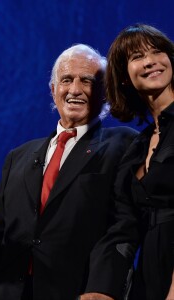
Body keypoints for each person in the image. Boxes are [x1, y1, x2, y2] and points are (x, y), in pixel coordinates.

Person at [0, 44, 138, 300]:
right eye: (66, 80)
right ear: (53, 90)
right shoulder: (18, 156)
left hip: (79, 292)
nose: (75, 89)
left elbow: (124, 225)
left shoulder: (121, 145)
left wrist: (103, 288)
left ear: (106, 93)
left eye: (87, 81)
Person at [82, 24, 174, 300]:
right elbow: (124, 227)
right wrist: (100, 290)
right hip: (150, 276)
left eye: (157, 51)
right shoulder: (137, 147)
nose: (150, 62)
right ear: (123, 76)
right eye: (137, 57)